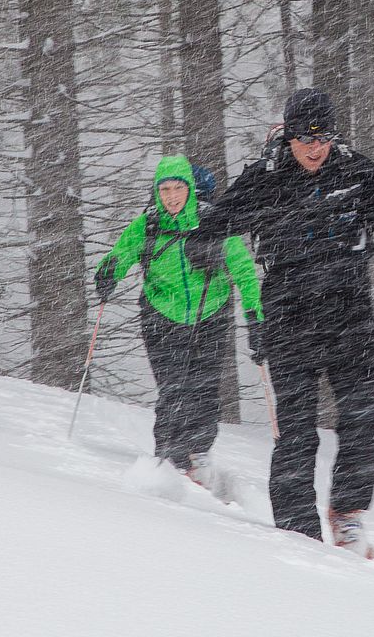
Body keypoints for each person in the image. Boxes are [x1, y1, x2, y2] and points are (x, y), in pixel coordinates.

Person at [185, 88, 374, 554]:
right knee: (296, 430)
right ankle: (298, 533)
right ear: (288, 136)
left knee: (364, 423)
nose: (316, 148)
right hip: (287, 316)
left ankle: (347, 515)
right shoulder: (264, 179)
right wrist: (203, 249)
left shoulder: (358, 173)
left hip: (349, 313)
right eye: (306, 139)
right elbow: (210, 229)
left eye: (324, 138)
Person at [94, 155, 264, 479]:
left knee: (205, 390)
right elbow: (122, 252)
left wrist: (255, 315)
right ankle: (169, 460)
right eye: (165, 189)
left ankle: (197, 455)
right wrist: (108, 273)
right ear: (157, 192)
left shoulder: (213, 222)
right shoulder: (148, 225)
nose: (172, 196)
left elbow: (243, 270)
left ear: (190, 189)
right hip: (161, 315)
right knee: (174, 388)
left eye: (178, 188)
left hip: (211, 315)